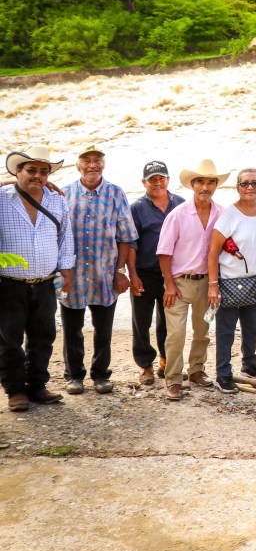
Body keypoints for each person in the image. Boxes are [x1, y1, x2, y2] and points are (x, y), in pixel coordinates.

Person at [61, 146, 138, 395]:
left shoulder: (115, 193)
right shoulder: (64, 193)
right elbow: (56, 234)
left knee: (103, 330)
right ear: (78, 165)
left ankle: (101, 374)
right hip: (72, 275)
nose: (92, 165)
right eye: (86, 161)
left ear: (103, 165)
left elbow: (125, 236)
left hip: (104, 273)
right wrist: (61, 272)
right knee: (72, 329)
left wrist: (119, 270)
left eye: (97, 161)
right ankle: (74, 376)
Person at [0, 146, 72, 412]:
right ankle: (15, 390)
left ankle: (37, 386)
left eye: (43, 172)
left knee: (44, 336)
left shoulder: (57, 199)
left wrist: (66, 269)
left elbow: (66, 237)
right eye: (31, 170)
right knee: (9, 340)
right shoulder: (2, 197)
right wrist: (6, 182)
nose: (38, 177)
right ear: (17, 171)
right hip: (8, 283)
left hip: (45, 282)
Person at [156, 159, 228, 401]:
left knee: (202, 330)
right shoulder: (177, 215)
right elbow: (164, 252)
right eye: (200, 182)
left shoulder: (222, 213)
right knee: (175, 334)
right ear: (192, 185)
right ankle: (174, 380)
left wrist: (215, 284)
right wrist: (169, 284)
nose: (205, 187)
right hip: (179, 282)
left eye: (210, 182)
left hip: (208, 281)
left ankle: (196, 370)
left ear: (216, 185)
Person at [207, 168, 256, 393]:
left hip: (255, 280)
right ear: (237, 188)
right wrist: (213, 285)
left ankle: (249, 366)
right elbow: (213, 250)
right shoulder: (230, 214)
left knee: (252, 326)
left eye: (254, 183)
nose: (249, 188)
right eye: (244, 184)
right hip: (229, 280)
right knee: (226, 330)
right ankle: (223, 374)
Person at [127, 161, 185, 386]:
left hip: (172, 274)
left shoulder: (180, 204)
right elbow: (131, 244)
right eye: (152, 179)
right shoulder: (137, 208)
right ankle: (145, 365)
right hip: (144, 272)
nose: (157, 182)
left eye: (161, 178)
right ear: (144, 183)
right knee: (140, 321)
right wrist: (133, 275)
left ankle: (165, 361)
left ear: (168, 180)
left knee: (169, 321)